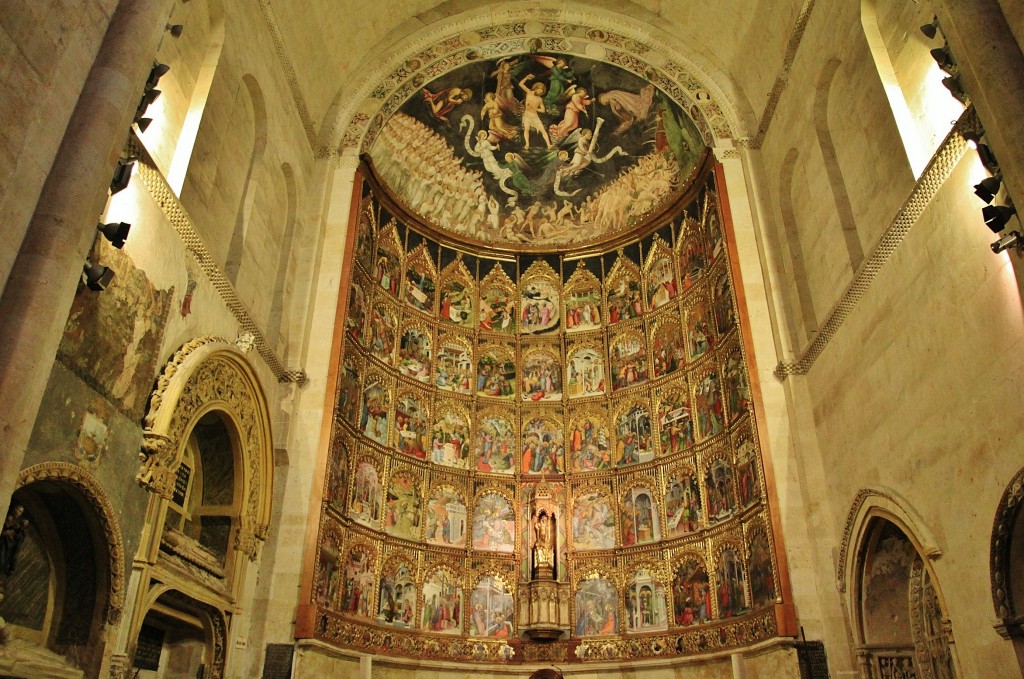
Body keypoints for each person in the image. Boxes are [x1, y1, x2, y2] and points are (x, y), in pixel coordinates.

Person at [518, 75, 552, 149]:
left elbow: (543, 110)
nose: (539, 92)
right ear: (536, 88)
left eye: (541, 92)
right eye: (539, 90)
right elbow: (520, 84)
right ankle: (527, 144)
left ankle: (549, 144)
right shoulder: (529, 92)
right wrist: (526, 77)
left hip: (534, 116)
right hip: (527, 115)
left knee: (543, 130)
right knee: (526, 129)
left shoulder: (539, 99)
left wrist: (535, 108)